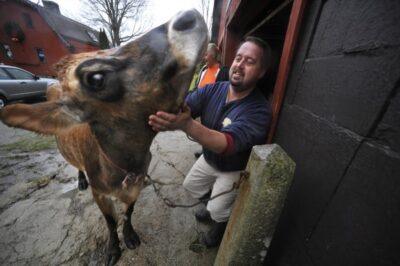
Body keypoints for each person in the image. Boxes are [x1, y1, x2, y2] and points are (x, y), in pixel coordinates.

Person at [148, 36, 272, 249]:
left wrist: (186, 124)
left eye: (249, 61)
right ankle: (211, 204)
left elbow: (227, 143)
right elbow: (186, 105)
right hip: (209, 158)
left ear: (261, 72)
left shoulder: (259, 110)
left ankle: (219, 225)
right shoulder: (214, 89)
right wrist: (170, 102)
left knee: (218, 210)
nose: (239, 65)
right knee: (191, 185)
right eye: (238, 58)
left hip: (232, 168)